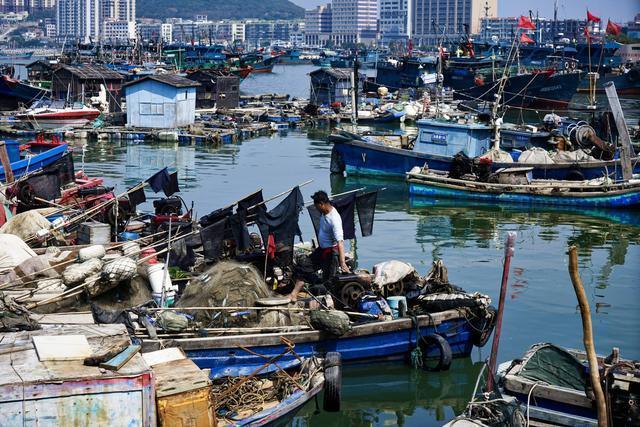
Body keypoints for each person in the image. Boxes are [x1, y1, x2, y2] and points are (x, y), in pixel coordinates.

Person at [289, 190, 351, 301]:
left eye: (316, 205)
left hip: (331, 254)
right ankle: (294, 294)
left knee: (329, 281)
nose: (315, 208)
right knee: (305, 266)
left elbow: (340, 242)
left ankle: (334, 303)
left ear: (321, 204)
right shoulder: (323, 213)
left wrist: (342, 262)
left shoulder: (334, 219)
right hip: (321, 250)